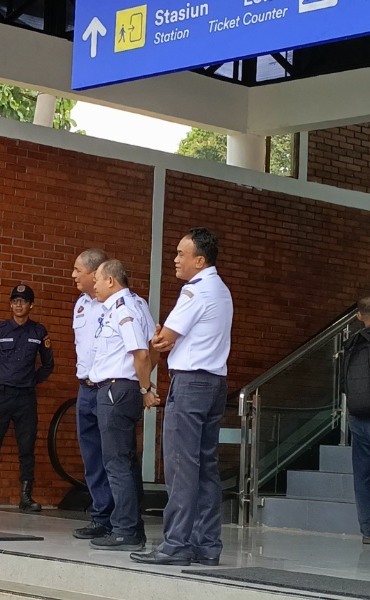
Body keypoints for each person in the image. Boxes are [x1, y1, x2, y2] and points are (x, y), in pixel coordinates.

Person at [131, 228, 233, 567]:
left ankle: (175, 544)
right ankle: (207, 545)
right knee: (205, 467)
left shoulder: (195, 292)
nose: (175, 259)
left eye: (180, 254)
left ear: (199, 261)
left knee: (180, 465)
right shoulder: (221, 290)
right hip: (215, 383)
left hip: (190, 384)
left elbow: (163, 339)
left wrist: (164, 337)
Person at [87, 259, 159, 551]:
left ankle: (125, 529)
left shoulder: (122, 309)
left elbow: (141, 353)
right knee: (126, 463)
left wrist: (144, 386)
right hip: (124, 388)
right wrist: (142, 385)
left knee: (116, 463)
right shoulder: (138, 303)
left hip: (116, 389)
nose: (94, 284)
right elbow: (154, 346)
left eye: (97, 279)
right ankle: (132, 527)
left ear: (111, 281)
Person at [0, 284, 54, 512]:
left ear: (31, 305)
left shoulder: (39, 332)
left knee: (27, 447)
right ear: (10, 304)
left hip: (26, 398)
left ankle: (26, 497)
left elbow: (48, 365)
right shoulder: (0, 331)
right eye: (15, 301)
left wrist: (31, 380)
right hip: (1, 395)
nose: (18, 305)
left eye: (23, 301)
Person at [70, 248, 115, 539]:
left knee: (114, 456)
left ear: (95, 273)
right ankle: (101, 516)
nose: (73, 275)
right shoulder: (81, 304)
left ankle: (121, 518)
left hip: (108, 388)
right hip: (85, 388)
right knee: (92, 457)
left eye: (78, 270)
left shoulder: (118, 304)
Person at [343, 295, 370, 545]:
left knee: (362, 474)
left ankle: (367, 531)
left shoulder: (351, 343)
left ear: (359, 316)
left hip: (359, 415)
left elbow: (343, 383)